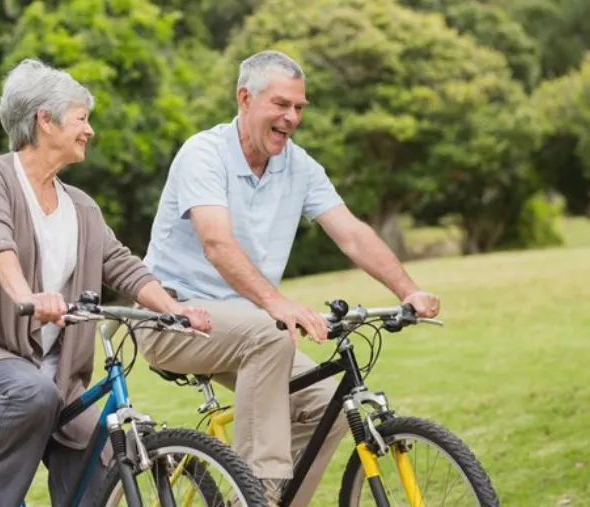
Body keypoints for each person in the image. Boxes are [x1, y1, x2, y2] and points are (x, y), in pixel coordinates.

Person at [137, 50, 442, 506]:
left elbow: (353, 234)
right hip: (171, 318)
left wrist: (408, 290)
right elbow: (216, 244)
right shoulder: (204, 154)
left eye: (299, 107)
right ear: (245, 98)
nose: (292, 117)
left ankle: (269, 501)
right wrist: (276, 304)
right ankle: (255, 493)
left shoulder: (298, 166)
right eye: (281, 104)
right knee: (270, 331)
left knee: (328, 404)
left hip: (243, 328)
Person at [0, 58, 212, 507]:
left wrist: (171, 308)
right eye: (82, 118)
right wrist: (26, 297)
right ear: (44, 119)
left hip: (59, 373)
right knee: (31, 393)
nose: (89, 131)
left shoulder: (81, 206)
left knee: (96, 460)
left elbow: (121, 264)